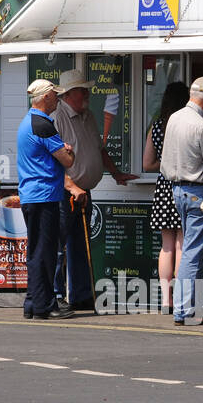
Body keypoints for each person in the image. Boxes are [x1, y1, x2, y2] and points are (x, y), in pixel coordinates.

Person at [52, 69, 137, 312]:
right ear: (69, 94)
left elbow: (99, 149)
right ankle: (57, 295)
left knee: (81, 243)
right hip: (66, 192)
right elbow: (54, 159)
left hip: (84, 191)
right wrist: (72, 185)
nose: (87, 94)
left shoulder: (87, 115)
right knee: (61, 247)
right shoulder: (57, 117)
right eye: (82, 90)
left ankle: (80, 294)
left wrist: (116, 172)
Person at [160, 77, 203, 325]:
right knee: (192, 254)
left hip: (177, 190)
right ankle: (184, 311)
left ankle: (190, 308)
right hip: (198, 192)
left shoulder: (174, 118)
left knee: (188, 250)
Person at [18, 79, 77, 320]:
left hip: (33, 194)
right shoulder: (43, 125)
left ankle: (33, 301)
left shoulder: (29, 121)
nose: (58, 99)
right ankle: (44, 305)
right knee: (45, 252)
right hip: (44, 196)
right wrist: (69, 150)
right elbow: (67, 161)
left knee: (36, 250)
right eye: (55, 95)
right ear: (45, 98)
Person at [142, 81, 191, 313]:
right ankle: (182, 298)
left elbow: (147, 163)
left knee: (167, 247)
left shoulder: (157, 126)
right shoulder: (187, 125)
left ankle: (165, 300)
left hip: (163, 187)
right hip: (184, 186)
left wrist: (166, 164)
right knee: (182, 245)